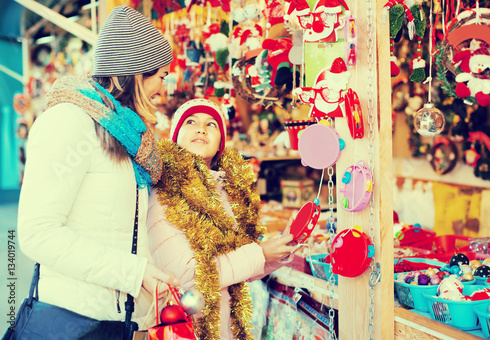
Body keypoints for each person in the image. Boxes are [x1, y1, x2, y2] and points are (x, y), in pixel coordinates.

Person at [17, 5, 179, 338]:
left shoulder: (131, 136)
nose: (165, 89)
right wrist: (133, 273)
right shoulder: (69, 123)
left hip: (118, 319)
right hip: (73, 318)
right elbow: (38, 232)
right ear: (136, 72)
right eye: (161, 76)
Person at [147, 98, 295, 340]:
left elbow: (239, 266)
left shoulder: (227, 192)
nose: (201, 128)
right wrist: (261, 254)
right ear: (175, 138)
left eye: (212, 124)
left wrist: (276, 252)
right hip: (187, 328)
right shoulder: (163, 192)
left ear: (220, 145)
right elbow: (186, 275)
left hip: (226, 327)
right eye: (191, 122)